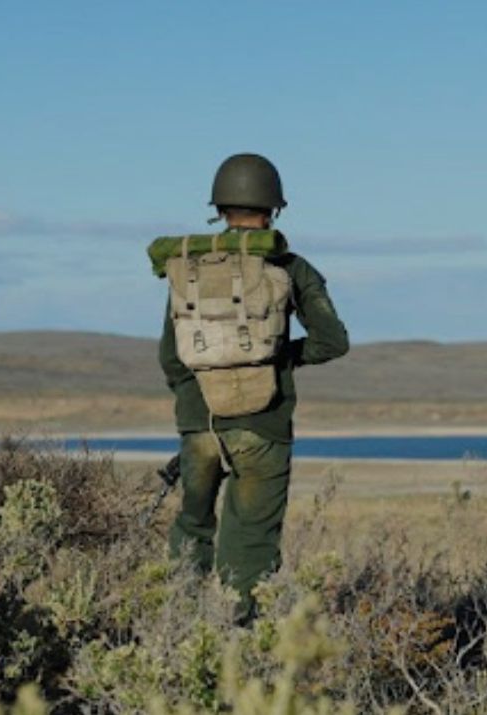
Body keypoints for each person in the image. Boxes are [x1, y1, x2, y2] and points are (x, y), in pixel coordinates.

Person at [154, 153, 349, 622]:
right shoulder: (290, 266)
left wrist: (194, 409)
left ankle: (178, 623)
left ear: (219, 207)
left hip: (199, 426)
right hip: (262, 427)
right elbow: (332, 342)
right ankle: (238, 635)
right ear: (274, 208)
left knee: (192, 525)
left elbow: (171, 355)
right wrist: (279, 359)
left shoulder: (189, 269)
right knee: (251, 540)